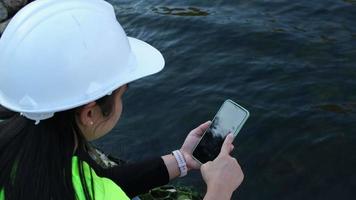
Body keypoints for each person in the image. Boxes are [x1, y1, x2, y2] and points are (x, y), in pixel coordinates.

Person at [0, 0, 244, 199]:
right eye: (122, 93)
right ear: (90, 113)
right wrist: (219, 191)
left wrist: (181, 159)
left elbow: (99, 180)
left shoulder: (24, 151)